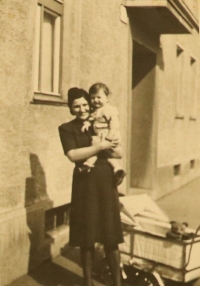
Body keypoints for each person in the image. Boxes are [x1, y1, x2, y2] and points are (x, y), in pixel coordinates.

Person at [58, 87, 124, 286]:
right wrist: (100, 147)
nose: (82, 109)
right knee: (86, 239)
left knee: (110, 237)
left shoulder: (100, 121)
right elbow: (72, 155)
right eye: (76, 106)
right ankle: (87, 283)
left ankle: (117, 283)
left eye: (85, 104)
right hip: (84, 183)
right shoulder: (66, 129)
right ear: (71, 108)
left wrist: (107, 147)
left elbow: (119, 153)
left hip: (105, 182)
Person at [80, 83, 126, 186]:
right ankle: (117, 168)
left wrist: (110, 135)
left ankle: (89, 163)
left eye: (99, 97)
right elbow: (92, 118)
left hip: (107, 134)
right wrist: (87, 123)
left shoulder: (109, 109)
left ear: (107, 98)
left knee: (95, 145)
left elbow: (114, 123)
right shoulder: (96, 111)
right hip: (102, 135)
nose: (95, 100)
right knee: (105, 153)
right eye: (92, 98)